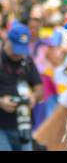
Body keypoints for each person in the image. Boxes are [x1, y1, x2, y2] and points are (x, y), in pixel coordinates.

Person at [0, 24, 43, 152]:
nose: (19, 54)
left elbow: (40, 90)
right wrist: (1, 102)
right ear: (7, 41)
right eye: (16, 49)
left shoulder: (27, 61)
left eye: (22, 49)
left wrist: (34, 97)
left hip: (23, 125)